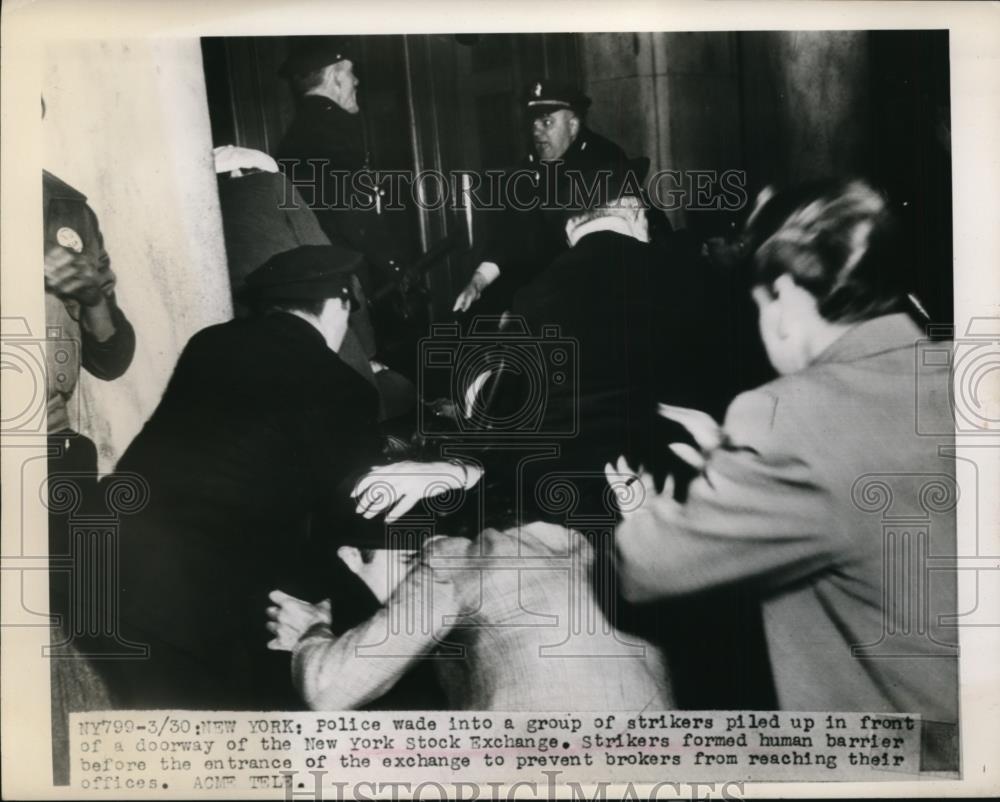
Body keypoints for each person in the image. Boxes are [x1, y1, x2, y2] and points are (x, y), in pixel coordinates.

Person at [609, 179, 958, 769]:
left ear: (789, 298)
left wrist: (651, 508)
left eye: (760, 305)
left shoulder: (787, 416)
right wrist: (738, 461)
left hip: (901, 766)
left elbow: (646, 567)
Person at [100, 245, 477, 710]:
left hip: (109, 558)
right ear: (340, 303)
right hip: (195, 602)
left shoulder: (209, 343)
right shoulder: (341, 386)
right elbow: (355, 511)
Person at [43, 163, 136, 785]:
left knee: (92, 639)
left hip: (53, 456)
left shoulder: (62, 204)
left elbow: (112, 354)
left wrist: (93, 298)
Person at [453, 81, 636, 314]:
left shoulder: (604, 160)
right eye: (534, 122)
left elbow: (604, 259)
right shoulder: (530, 169)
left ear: (573, 125)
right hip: (547, 301)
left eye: (547, 122)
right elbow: (509, 236)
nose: (537, 131)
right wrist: (477, 283)